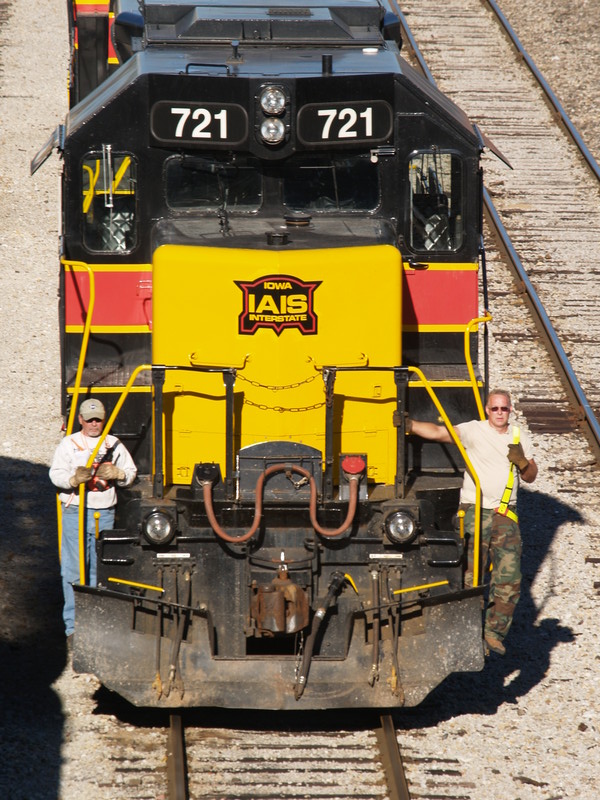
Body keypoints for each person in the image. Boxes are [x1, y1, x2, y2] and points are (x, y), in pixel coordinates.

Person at [407, 389, 537, 656]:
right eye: (495, 409)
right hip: (475, 511)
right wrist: (408, 424)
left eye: (504, 409)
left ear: (510, 410)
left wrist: (523, 462)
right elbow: (437, 432)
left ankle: (493, 634)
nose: (500, 413)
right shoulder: (473, 430)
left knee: (509, 578)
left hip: (505, 515)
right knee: (469, 574)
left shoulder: (519, 436)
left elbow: (532, 475)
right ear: (487, 410)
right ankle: (466, 630)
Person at [49, 398, 137, 641]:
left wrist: (118, 474)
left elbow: (131, 473)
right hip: (75, 510)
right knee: (74, 570)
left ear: (104, 419)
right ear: (80, 420)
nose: (94, 424)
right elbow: (55, 474)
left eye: (98, 419)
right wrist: (72, 480)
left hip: (104, 512)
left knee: (100, 569)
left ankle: (99, 624)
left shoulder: (114, 444)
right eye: (89, 420)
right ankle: (73, 628)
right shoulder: (69, 444)